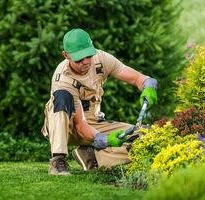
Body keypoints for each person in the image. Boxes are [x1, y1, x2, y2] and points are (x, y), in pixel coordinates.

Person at [41, 28, 157, 175]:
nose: (85, 62)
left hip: (93, 122)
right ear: (66, 55)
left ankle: (91, 156)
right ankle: (58, 160)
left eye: (88, 56)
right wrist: (103, 139)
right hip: (67, 126)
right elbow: (80, 126)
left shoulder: (101, 59)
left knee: (142, 135)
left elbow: (135, 77)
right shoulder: (62, 79)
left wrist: (148, 84)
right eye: (79, 59)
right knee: (62, 97)